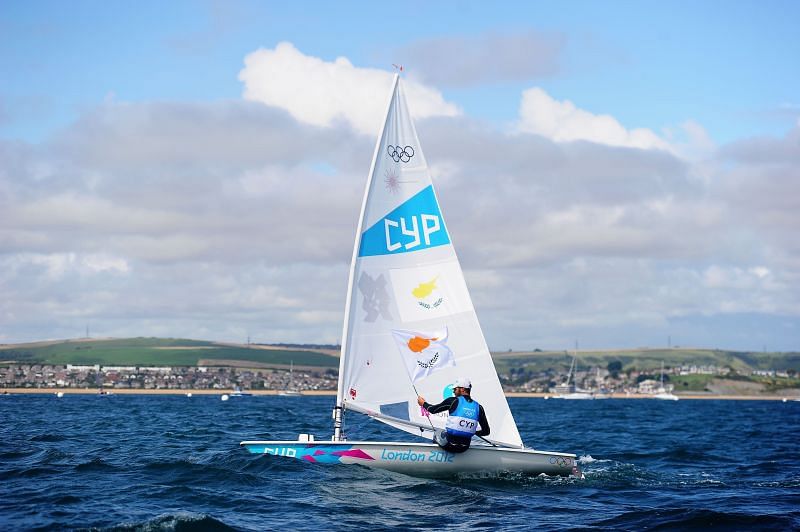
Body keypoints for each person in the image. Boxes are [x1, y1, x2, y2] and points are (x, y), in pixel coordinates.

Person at [416, 377, 490, 453]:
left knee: (437, 432)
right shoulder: (479, 407)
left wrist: (423, 403)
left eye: (455, 389)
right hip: (464, 448)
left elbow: (433, 410)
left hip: (449, 445)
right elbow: (486, 432)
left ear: (462, 389)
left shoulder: (453, 401)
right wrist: (469, 431)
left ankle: (439, 457)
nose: (453, 391)